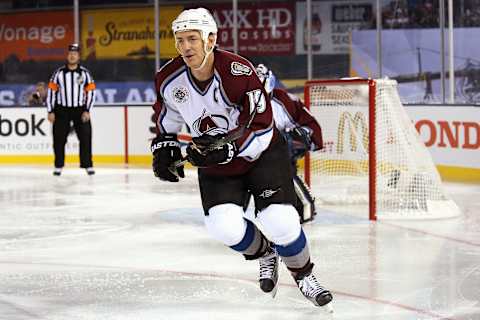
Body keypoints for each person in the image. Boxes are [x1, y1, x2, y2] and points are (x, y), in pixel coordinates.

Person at [150, 7, 333, 309]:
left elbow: (261, 127)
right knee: (223, 227)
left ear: (211, 39)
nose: (186, 47)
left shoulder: (238, 71)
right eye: (180, 40)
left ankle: (304, 275)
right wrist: (164, 145)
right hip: (216, 161)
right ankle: (265, 254)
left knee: (280, 220)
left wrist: (231, 148)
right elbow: (166, 118)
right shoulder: (168, 78)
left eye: (192, 39)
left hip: (262, 155)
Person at [253, 64, 323, 223]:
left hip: (277, 162)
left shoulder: (285, 102)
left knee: (301, 211)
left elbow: (311, 130)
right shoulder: (235, 102)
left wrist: (299, 138)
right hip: (247, 161)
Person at [46, 43, 96, 176]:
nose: (72, 56)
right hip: (61, 110)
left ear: (79, 56)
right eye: (70, 54)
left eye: (75, 54)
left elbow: (91, 93)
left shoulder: (85, 74)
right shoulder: (58, 74)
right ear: (67, 56)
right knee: (59, 138)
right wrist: (50, 111)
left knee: (86, 136)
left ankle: (87, 165)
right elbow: (51, 92)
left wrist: (87, 110)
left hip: (80, 110)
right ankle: (58, 165)